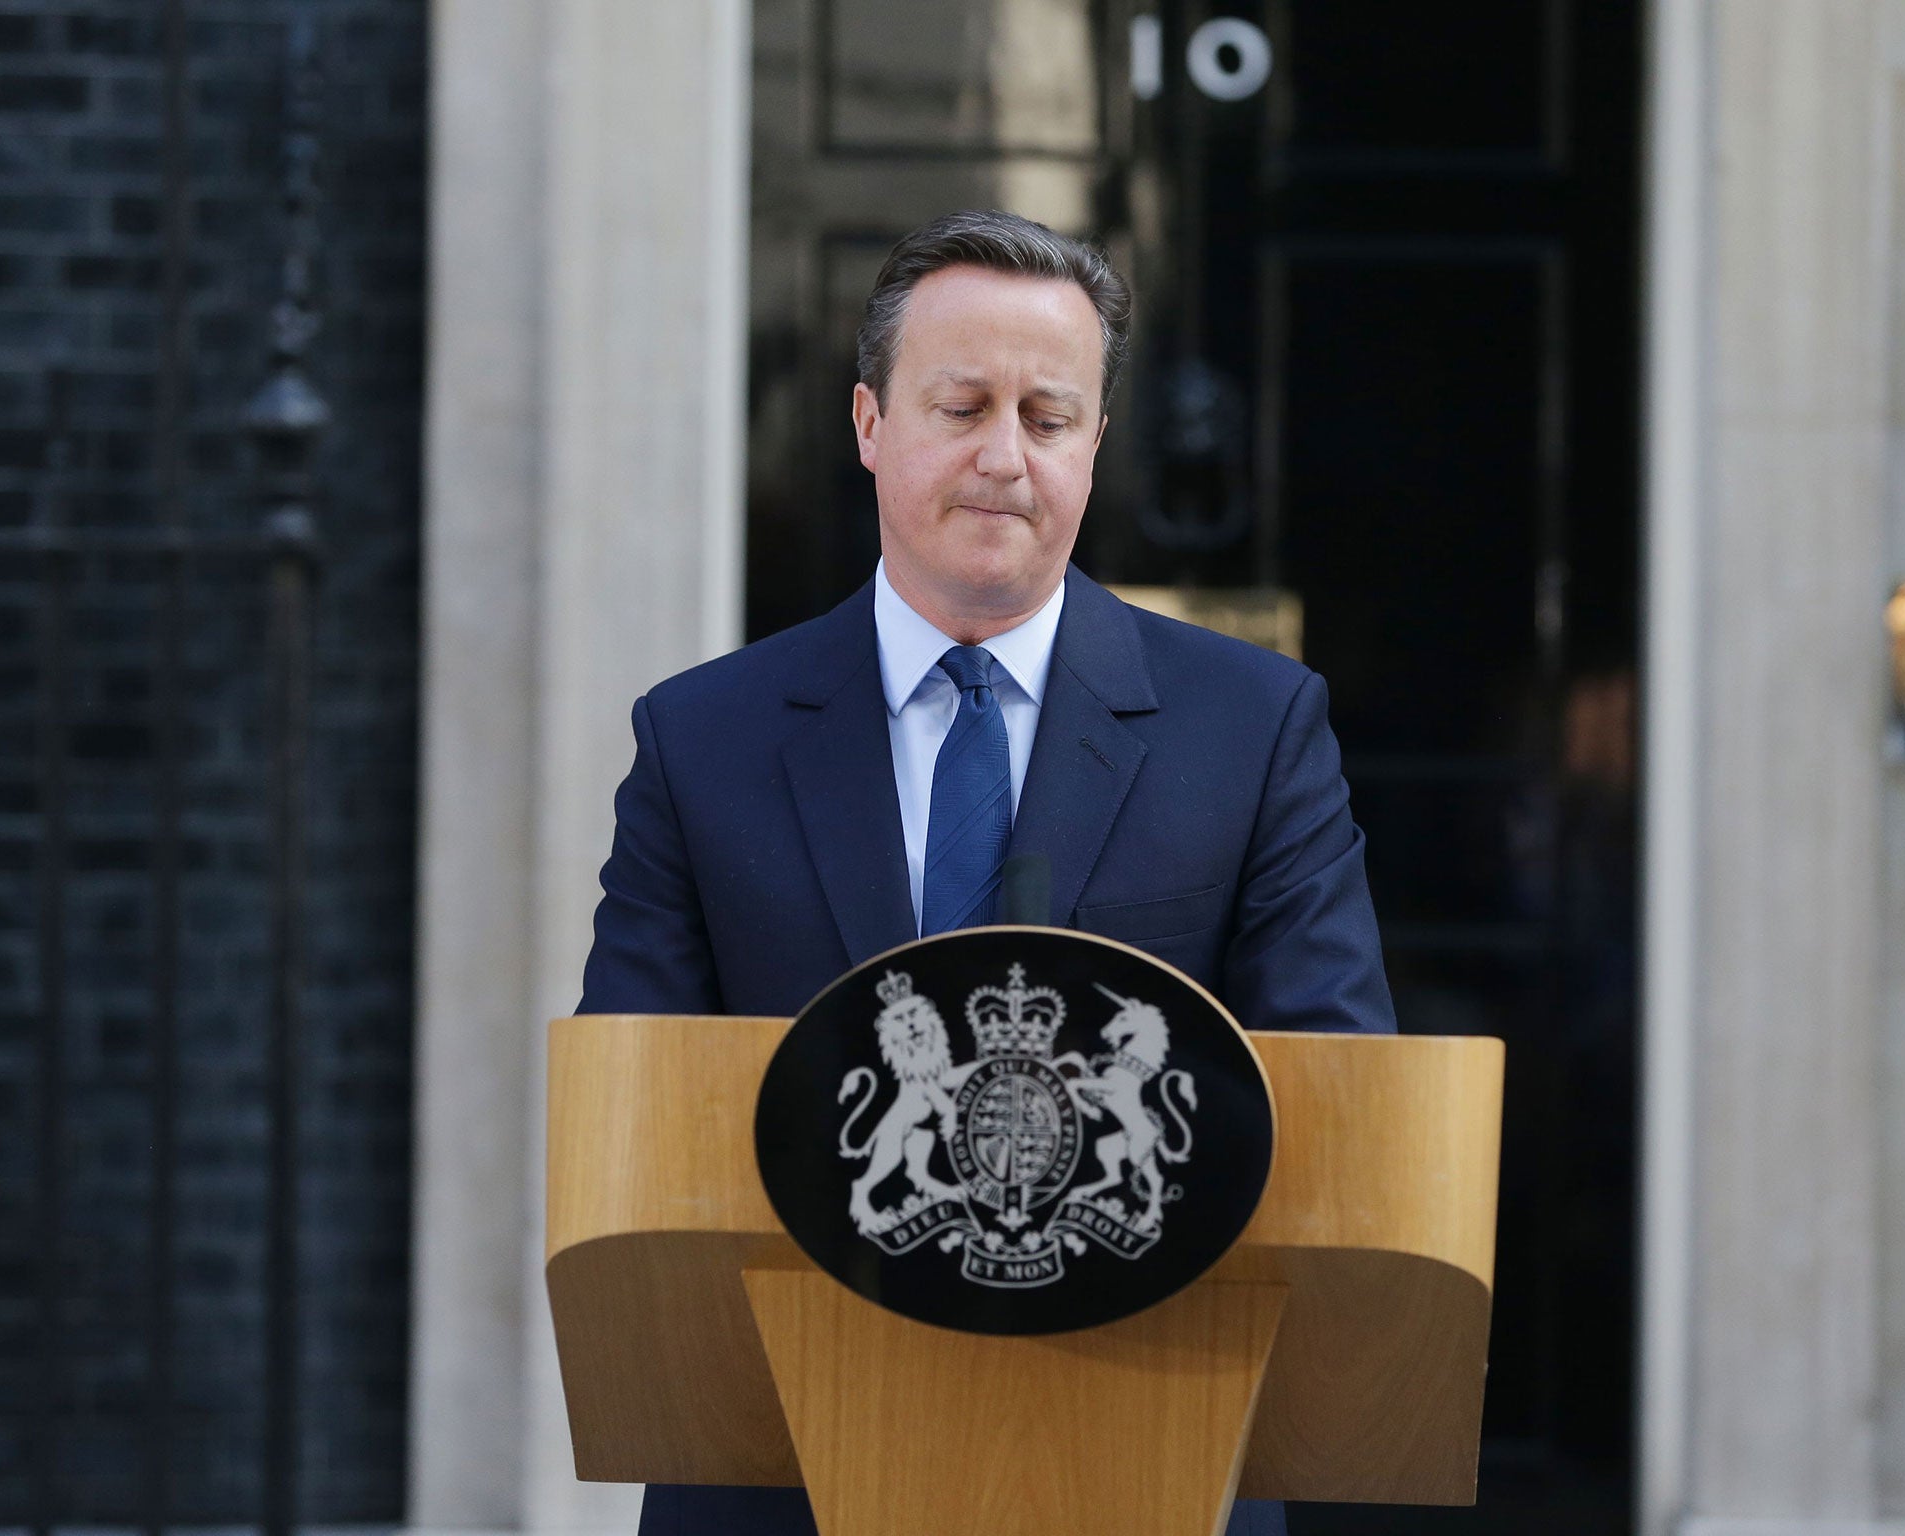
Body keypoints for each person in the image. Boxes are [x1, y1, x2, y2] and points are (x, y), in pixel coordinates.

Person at [579, 209, 1395, 1536]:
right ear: (867, 424)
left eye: (1047, 416)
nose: (1003, 458)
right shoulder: (701, 739)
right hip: (787, 1473)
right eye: (960, 405)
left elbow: (1337, 1097)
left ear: (1096, 444)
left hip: (1147, 1466)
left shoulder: (1255, 731)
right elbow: (638, 1109)